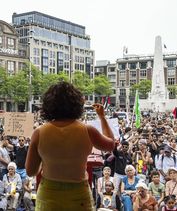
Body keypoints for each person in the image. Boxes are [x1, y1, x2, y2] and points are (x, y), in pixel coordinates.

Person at [25, 82, 115, 211]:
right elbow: (110, 144)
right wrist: (102, 117)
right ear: (77, 104)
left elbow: (31, 171)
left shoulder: (39, 132)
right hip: (79, 195)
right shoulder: (87, 130)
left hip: (49, 195)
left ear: (48, 105)